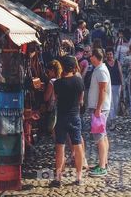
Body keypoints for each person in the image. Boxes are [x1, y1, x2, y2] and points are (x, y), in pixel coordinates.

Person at [52, 55, 86, 186]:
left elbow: (55, 99)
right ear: (74, 67)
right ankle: (78, 178)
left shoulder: (57, 83)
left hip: (61, 117)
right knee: (77, 146)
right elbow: (81, 101)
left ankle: (58, 178)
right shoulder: (79, 82)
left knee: (60, 147)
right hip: (75, 116)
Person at [86, 47, 112, 177]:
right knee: (103, 135)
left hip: (100, 108)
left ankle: (102, 167)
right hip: (99, 107)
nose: (89, 58)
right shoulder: (99, 69)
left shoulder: (101, 71)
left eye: (91, 56)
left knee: (99, 137)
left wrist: (98, 109)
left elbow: (103, 90)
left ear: (95, 57)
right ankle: (104, 162)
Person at [105, 51, 123, 129]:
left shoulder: (117, 62)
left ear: (113, 54)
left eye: (111, 54)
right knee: (110, 103)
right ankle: (112, 121)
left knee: (115, 103)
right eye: (108, 54)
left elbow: (120, 73)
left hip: (117, 85)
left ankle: (113, 118)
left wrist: (122, 84)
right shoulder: (104, 63)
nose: (109, 56)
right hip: (108, 85)